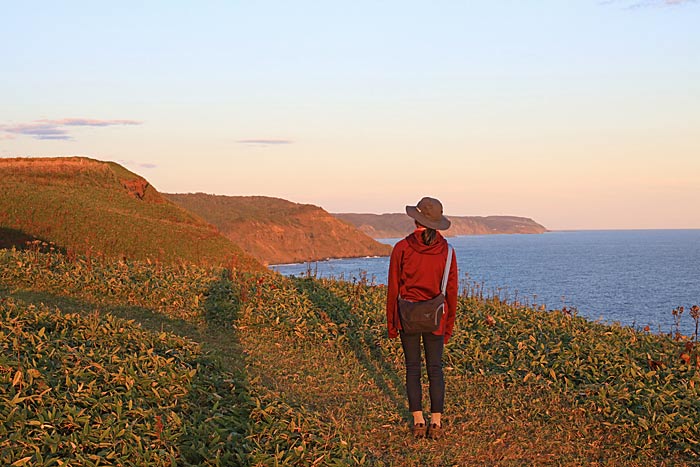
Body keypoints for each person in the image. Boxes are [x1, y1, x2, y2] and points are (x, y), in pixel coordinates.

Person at [386, 196, 458, 440]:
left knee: (413, 369)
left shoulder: (401, 248)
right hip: (436, 318)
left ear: (416, 219)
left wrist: (392, 323)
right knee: (435, 370)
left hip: (408, 316)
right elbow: (451, 293)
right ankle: (436, 421)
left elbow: (393, 290)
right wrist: (448, 327)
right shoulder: (447, 251)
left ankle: (418, 419)